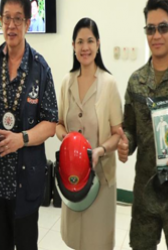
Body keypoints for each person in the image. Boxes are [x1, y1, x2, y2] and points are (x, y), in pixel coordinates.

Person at [0, 0, 58, 249]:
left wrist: (21, 139)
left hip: (26, 181)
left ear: (27, 22)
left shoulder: (40, 68)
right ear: (0, 21)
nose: (11, 25)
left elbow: (50, 123)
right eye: (6, 18)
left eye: (18, 19)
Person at [118, 0, 168, 250]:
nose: (156, 35)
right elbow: (130, 129)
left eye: (163, 27)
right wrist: (126, 144)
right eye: (150, 28)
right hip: (145, 194)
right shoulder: (136, 82)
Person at [56, 18, 123, 250]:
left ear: (98, 44)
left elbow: (117, 133)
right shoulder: (66, 82)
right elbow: (58, 124)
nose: (85, 47)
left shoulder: (109, 83)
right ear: (73, 46)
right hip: (72, 176)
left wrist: (101, 150)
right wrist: (67, 141)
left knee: (97, 242)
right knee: (76, 240)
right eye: (80, 41)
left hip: (101, 178)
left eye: (90, 41)